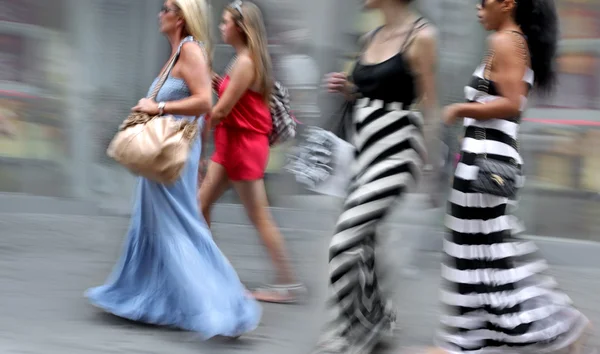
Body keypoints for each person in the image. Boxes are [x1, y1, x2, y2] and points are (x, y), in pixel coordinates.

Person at [422, 0, 592, 352]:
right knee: (483, 251)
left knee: (480, 253)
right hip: (488, 159)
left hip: (486, 162)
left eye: (484, 2)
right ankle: (472, 338)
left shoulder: (505, 41)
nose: (477, 8)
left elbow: (513, 103)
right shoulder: (512, 41)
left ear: (507, 4)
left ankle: (551, 326)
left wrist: (459, 108)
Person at [85, 0, 261, 339]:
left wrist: (158, 105)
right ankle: (148, 299)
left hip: (172, 153)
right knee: (152, 223)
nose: (159, 12)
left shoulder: (191, 50)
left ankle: (221, 307)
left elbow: (205, 103)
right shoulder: (177, 53)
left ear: (181, 16)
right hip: (167, 153)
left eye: (167, 7)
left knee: (178, 227)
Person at [315, 0, 440, 352]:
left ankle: (345, 330)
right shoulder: (370, 36)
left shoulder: (421, 36)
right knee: (364, 245)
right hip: (363, 151)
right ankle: (378, 318)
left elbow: (430, 108)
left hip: (398, 153)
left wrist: (431, 173)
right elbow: (369, 91)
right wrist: (347, 88)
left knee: (345, 241)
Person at [198, 0, 304, 304]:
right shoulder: (241, 59)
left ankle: (289, 285)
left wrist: (193, 132)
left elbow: (221, 111)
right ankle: (207, 270)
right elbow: (238, 101)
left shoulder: (246, 62)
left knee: (259, 216)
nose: (221, 26)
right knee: (200, 205)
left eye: (225, 21)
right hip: (232, 143)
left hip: (243, 147)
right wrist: (221, 84)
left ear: (240, 28)